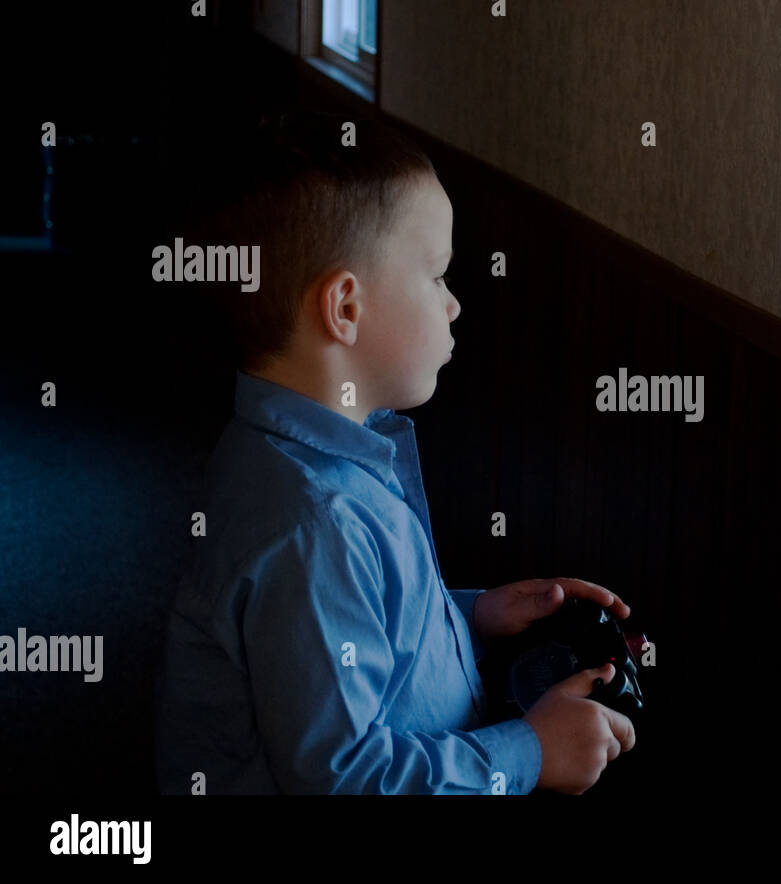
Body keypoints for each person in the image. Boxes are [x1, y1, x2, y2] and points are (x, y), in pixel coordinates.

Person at [153, 114, 635, 795]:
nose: (454, 304)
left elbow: (350, 634)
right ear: (345, 308)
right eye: (437, 275)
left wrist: (463, 615)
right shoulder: (316, 526)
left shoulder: (294, 453)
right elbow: (342, 779)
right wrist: (529, 752)